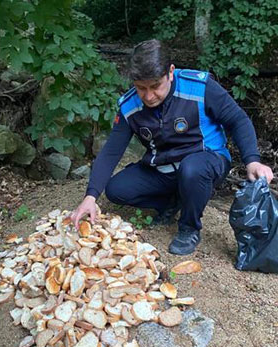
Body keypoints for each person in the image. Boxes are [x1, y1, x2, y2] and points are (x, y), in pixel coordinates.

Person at [70, 39, 274, 255]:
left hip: (205, 159)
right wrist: (90, 196)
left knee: (193, 169)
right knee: (116, 190)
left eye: (155, 86)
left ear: (170, 72)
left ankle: (189, 227)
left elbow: (238, 120)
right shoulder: (129, 106)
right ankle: (172, 201)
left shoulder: (199, 87)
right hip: (163, 168)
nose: (149, 96)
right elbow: (112, 151)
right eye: (141, 88)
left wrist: (252, 160)